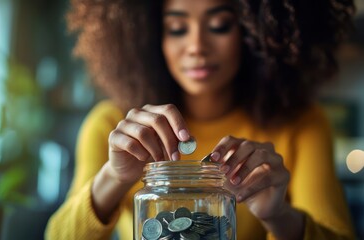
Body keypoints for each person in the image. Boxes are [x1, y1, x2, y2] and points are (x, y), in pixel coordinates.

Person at [46, 0, 357, 239]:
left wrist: (278, 215)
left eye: (220, 25)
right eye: (177, 29)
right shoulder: (113, 124)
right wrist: (114, 177)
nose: (196, 47)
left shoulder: (301, 124)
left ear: (252, 33)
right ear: (152, 38)